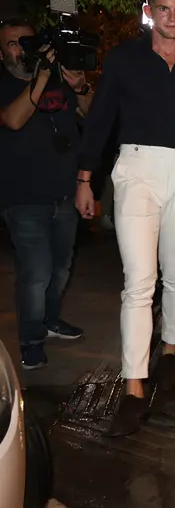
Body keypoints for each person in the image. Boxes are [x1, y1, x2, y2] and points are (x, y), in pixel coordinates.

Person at [75, 0, 175, 436]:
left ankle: (171, 350)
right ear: (148, 11)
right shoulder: (124, 59)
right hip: (136, 168)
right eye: (162, 9)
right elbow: (100, 120)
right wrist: (85, 178)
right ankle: (133, 386)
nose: (171, 17)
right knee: (139, 282)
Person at [0, 19, 90, 370]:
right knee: (36, 272)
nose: (22, 48)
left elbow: (91, 114)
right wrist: (39, 78)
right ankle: (31, 340)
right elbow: (14, 120)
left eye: (27, 41)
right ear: (1, 53)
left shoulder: (57, 78)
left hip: (65, 193)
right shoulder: (5, 83)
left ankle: (50, 321)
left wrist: (82, 87)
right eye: (13, 44)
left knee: (60, 269)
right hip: (22, 197)